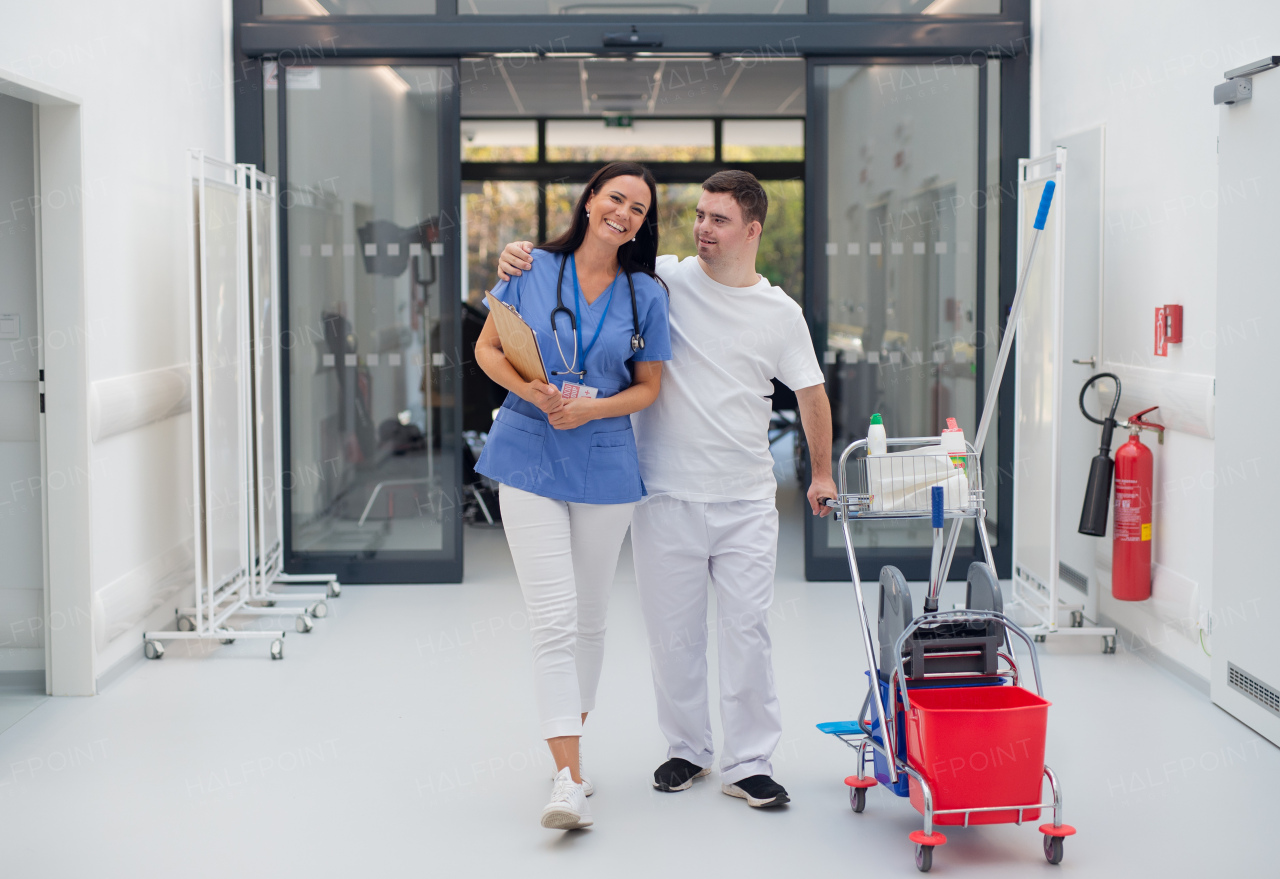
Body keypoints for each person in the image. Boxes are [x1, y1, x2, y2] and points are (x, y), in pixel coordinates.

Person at [498, 170, 837, 811]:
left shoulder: (780, 312)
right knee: (673, 635)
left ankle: (750, 762)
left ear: (752, 229)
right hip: (663, 493)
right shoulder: (663, 282)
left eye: (720, 220)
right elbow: (580, 265)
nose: (704, 229)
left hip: (743, 499)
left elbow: (811, 393)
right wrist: (517, 255)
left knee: (747, 631)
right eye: (700, 216)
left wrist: (821, 474)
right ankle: (687, 751)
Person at [474, 162, 672, 831]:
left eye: (639, 209)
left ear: (643, 224)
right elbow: (487, 348)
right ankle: (569, 776)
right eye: (615, 197)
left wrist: (592, 410)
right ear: (590, 200)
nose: (624, 212)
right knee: (554, 619)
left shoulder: (646, 293)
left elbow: (649, 387)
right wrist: (533, 392)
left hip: (604, 459)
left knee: (589, 621)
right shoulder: (528, 266)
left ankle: (567, 744)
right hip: (529, 452)